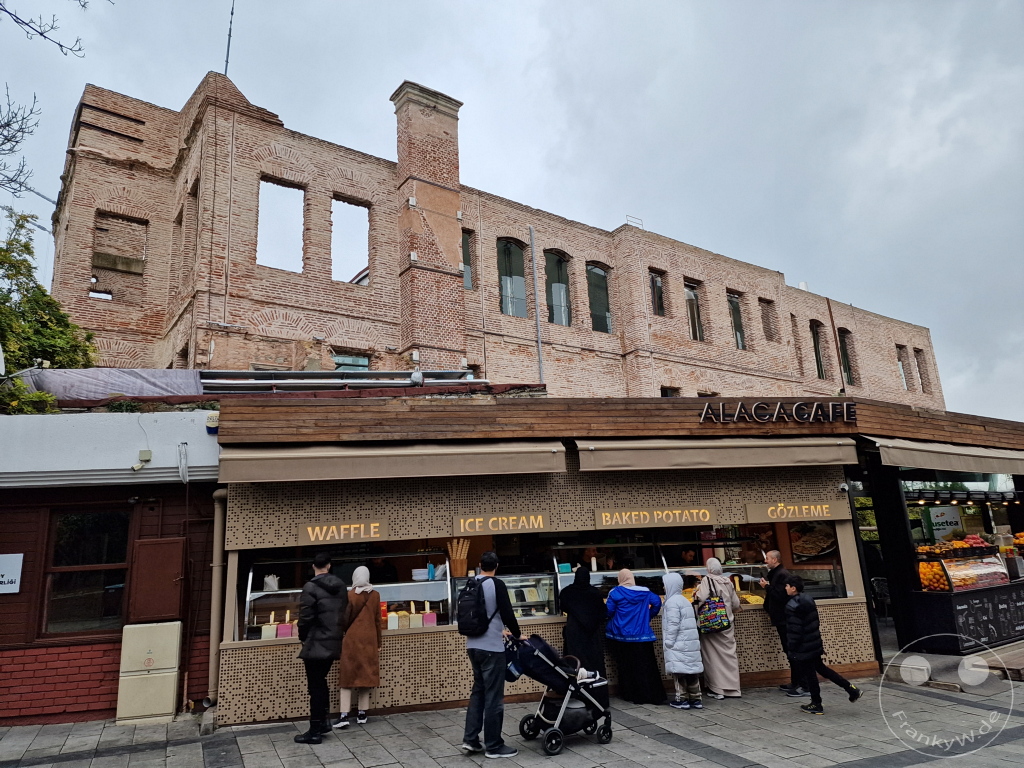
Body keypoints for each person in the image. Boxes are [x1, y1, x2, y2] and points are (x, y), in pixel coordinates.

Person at [461, 551, 526, 759]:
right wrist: (516, 635)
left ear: (480, 565)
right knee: (494, 698)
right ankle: (494, 745)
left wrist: (501, 630)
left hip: (473, 645)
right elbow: (507, 613)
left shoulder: (471, 583)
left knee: (478, 693)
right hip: (492, 649)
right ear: (496, 566)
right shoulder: (496, 584)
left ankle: (471, 740)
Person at [784, 575, 862, 715]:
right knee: (822, 669)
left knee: (811, 675)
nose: (785, 588)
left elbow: (795, 630)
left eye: (787, 586)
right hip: (814, 643)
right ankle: (851, 689)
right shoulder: (808, 600)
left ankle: (816, 703)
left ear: (793, 588)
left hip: (804, 646)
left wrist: (792, 648)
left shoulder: (792, 606)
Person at [295, 552, 347, 744]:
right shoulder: (341, 586)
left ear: (313, 566)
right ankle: (323, 722)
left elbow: (305, 617)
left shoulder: (310, 587)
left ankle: (314, 731)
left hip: (316, 643)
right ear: (329, 565)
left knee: (315, 687)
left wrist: (303, 637)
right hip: (333, 641)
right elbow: (344, 613)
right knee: (321, 681)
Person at [605, 569, 665, 705]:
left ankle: (631, 694)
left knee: (627, 666)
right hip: (643, 636)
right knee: (646, 666)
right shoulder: (645, 592)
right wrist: (648, 615)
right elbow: (657, 602)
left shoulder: (615, 592)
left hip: (621, 636)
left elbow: (608, 611)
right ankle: (652, 695)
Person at [334, 566, 381, 729]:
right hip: (370, 639)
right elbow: (377, 621)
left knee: (348, 676)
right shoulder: (375, 595)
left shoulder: (350, 595)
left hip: (352, 639)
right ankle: (362, 713)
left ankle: (344, 715)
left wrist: (341, 632)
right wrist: (379, 643)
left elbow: (345, 618)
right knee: (365, 676)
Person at [693, 558, 741, 699]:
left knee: (713, 657)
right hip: (727, 623)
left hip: (713, 623)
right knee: (729, 655)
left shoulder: (707, 580)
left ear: (709, 568)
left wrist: (695, 595)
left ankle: (718, 689)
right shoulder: (728, 581)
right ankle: (734, 688)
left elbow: (701, 598)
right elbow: (736, 603)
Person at [759, 550, 803, 696]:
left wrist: (766, 587)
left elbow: (780, 595)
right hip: (780, 618)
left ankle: (800, 683)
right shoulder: (778, 574)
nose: (766, 561)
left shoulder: (781, 574)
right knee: (789, 650)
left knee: (791, 651)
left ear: (775, 560)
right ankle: (796, 682)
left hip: (783, 619)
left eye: (768, 559)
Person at [662, 572, 703, 710]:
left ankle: (682, 699)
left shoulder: (671, 602)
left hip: (678, 643)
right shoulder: (685, 600)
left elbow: (673, 624)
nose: (663, 587)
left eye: (665, 584)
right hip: (689, 643)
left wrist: (668, 642)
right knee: (691, 672)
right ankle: (696, 699)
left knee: (679, 673)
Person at [559, 567, 607, 675]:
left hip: (574, 631)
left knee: (576, 661)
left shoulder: (567, 592)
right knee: (594, 660)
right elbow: (603, 611)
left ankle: (577, 688)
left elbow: (563, 607)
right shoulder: (595, 593)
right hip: (593, 633)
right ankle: (596, 687)